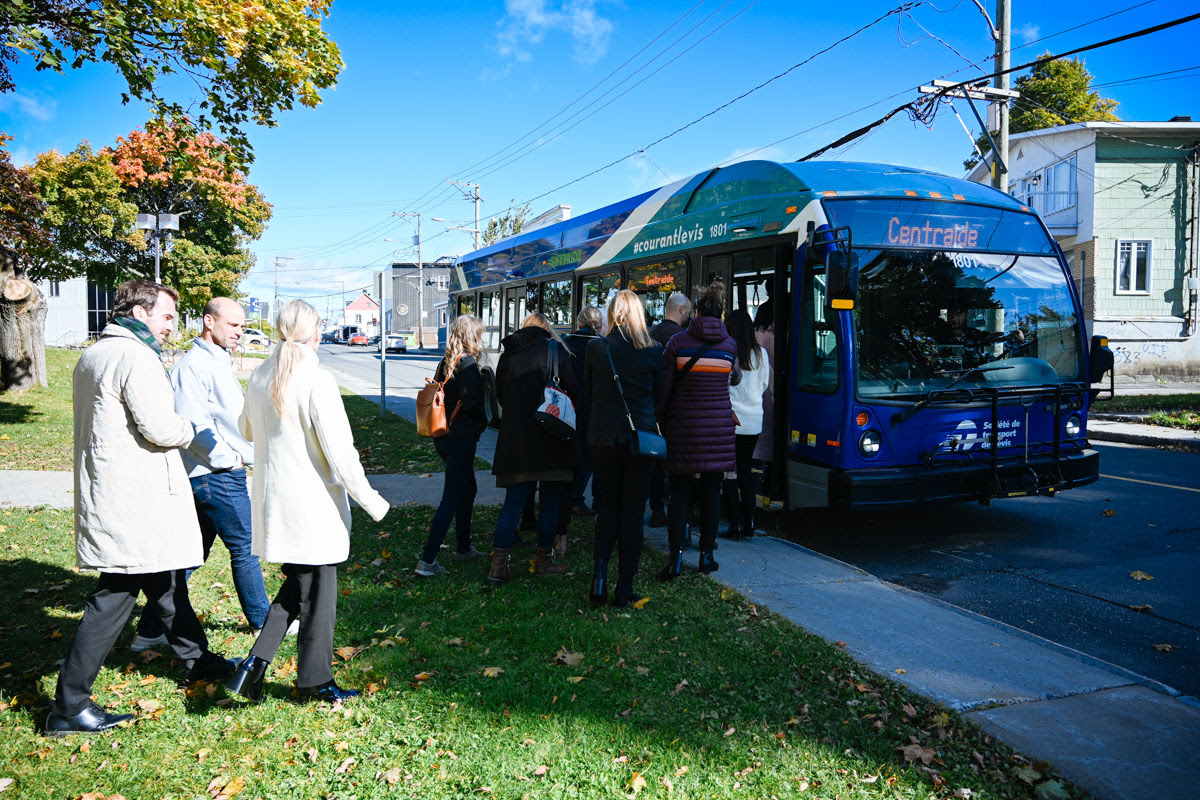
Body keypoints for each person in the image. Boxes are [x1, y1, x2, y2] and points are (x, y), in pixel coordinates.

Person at [46, 280, 235, 736]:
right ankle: (69, 705)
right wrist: (199, 434)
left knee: (167, 584)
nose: (173, 326)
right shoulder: (134, 356)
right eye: (167, 316)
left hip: (121, 490)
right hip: (136, 496)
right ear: (139, 310)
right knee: (115, 596)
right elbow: (159, 426)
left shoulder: (96, 353)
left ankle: (200, 661)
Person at [226, 300, 389, 703]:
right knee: (320, 600)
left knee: (297, 591)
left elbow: (245, 429)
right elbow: (342, 452)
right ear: (315, 333)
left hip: (276, 503)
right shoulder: (316, 378)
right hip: (314, 507)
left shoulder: (263, 373)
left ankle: (253, 666)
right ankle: (315, 682)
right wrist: (372, 501)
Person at [131, 297, 270, 650]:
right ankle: (265, 624)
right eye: (233, 325)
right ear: (209, 321)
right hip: (215, 474)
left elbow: (226, 421)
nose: (240, 332)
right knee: (246, 549)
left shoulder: (217, 361)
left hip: (213, 472)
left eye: (242, 325)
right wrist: (229, 460)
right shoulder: (194, 366)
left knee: (191, 557)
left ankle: (150, 631)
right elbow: (194, 424)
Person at [486, 312, 582, 586]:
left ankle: (498, 565)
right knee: (550, 502)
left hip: (516, 441)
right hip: (551, 437)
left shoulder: (508, 354)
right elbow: (573, 391)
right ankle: (543, 559)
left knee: (513, 503)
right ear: (546, 329)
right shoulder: (555, 349)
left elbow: (501, 395)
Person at [585, 291, 663, 607]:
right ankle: (624, 587)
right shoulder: (653, 350)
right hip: (640, 441)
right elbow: (660, 396)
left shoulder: (596, 347)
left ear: (611, 314)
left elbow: (589, 392)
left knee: (608, 508)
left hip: (603, 438)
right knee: (633, 512)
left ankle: (599, 578)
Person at [657, 282, 737, 579]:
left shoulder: (678, 343)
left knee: (679, 492)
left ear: (697, 311)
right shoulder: (730, 346)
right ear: (721, 313)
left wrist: (659, 423)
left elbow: (664, 391)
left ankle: (676, 557)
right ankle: (707, 555)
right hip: (718, 430)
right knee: (711, 493)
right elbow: (733, 379)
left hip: (683, 429)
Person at [415, 315, 487, 576]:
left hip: (443, 436)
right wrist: (482, 422)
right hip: (461, 439)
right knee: (452, 497)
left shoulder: (445, 362)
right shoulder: (467, 364)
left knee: (468, 490)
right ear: (472, 336)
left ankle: (464, 548)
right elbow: (473, 404)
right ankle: (427, 561)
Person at [722, 309, 770, 540]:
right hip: (753, 422)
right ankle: (750, 521)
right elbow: (763, 385)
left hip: (730, 420)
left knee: (729, 471)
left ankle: (734, 524)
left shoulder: (727, 353)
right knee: (746, 471)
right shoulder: (761, 354)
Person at [647, 292, 692, 528]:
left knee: (654, 460)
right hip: (675, 409)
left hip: (652, 408)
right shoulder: (682, 338)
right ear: (682, 310)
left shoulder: (650, 334)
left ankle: (656, 507)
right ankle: (679, 510)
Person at [564, 306, 602, 517]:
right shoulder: (600, 346)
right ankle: (580, 498)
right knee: (589, 455)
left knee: (572, 451)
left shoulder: (567, 344)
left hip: (569, 404)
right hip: (592, 406)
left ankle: (571, 496)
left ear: (579, 322)